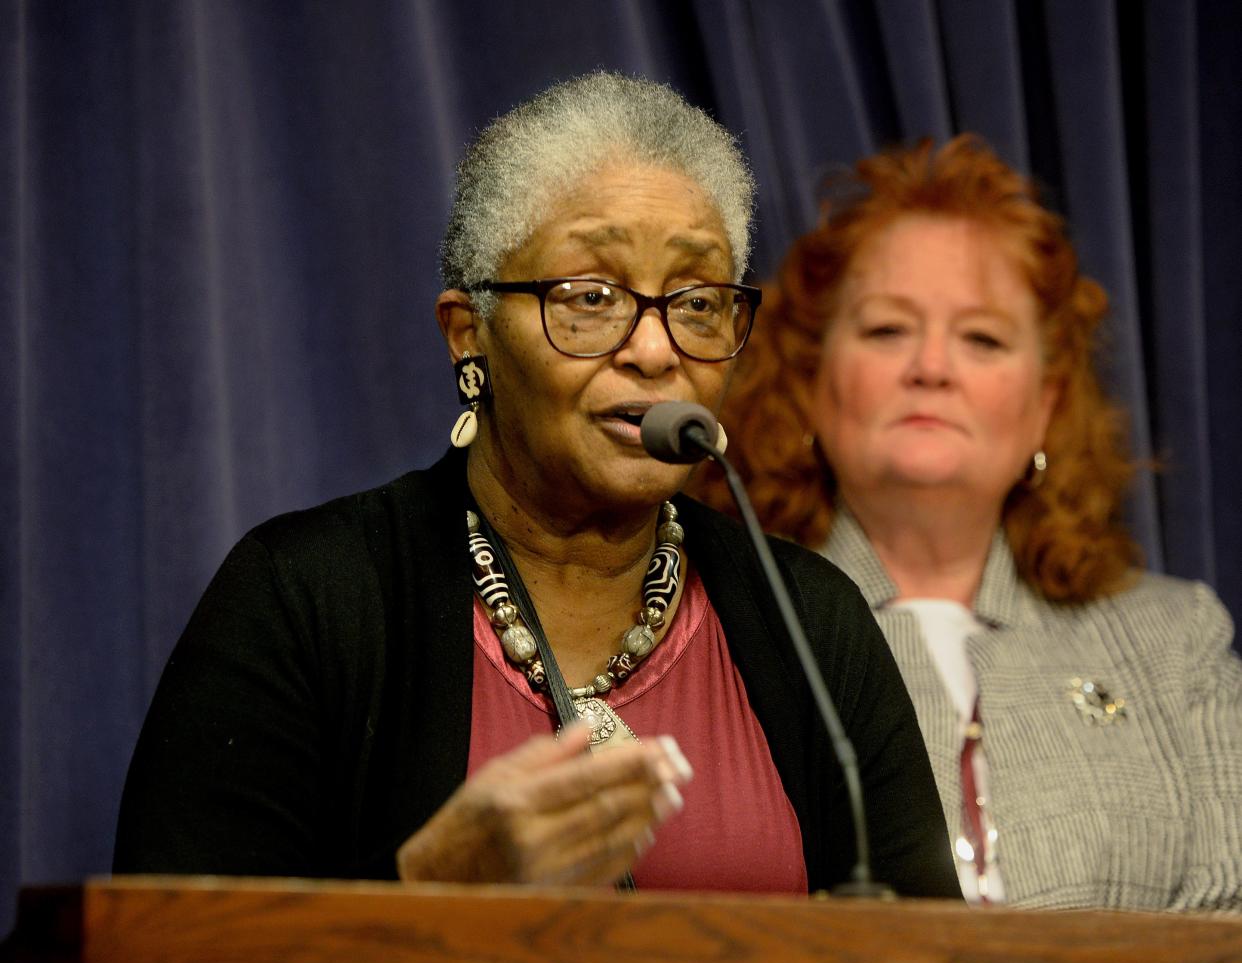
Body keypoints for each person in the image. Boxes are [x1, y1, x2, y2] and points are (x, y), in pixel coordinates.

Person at [113, 73, 959, 898]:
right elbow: (163, 956)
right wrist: (430, 888)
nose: (657, 351)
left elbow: (929, 960)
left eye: (698, 301)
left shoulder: (810, 623)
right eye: (591, 297)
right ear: (468, 332)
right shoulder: (306, 598)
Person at [694, 134, 1242, 911]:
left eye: (982, 338)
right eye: (887, 329)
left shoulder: (1176, 638)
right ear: (811, 381)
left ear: (1045, 404)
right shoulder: (716, 626)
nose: (932, 366)